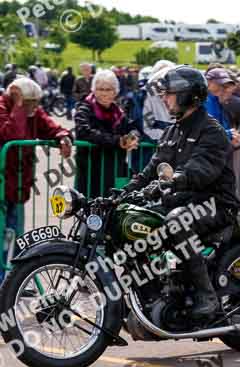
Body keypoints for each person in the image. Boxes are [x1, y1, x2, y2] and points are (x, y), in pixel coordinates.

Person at [123, 66, 239, 320]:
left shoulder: (211, 130)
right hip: (182, 200)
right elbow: (150, 170)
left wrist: (174, 180)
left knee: (177, 220)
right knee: (132, 216)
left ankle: (206, 295)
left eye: (170, 94)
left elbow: (200, 170)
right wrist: (122, 194)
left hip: (215, 204)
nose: (164, 99)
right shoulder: (171, 131)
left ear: (188, 95)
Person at [0, 77, 72, 274]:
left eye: (35, 102)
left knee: (16, 233)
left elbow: (50, 126)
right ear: (16, 96)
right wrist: (19, 107)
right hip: (3, 182)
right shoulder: (5, 107)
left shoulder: (33, 111)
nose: (34, 106)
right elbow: (11, 134)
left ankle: (14, 279)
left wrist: (63, 136)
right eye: (30, 101)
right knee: (2, 235)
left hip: (19, 184)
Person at [74, 69, 140, 199]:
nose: (104, 93)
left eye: (108, 89)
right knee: (91, 213)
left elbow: (133, 127)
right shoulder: (84, 108)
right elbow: (84, 131)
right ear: (93, 90)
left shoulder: (118, 111)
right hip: (90, 172)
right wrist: (118, 141)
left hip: (114, 171)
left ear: (115, 92)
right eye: (100, 89)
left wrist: (132, 137)